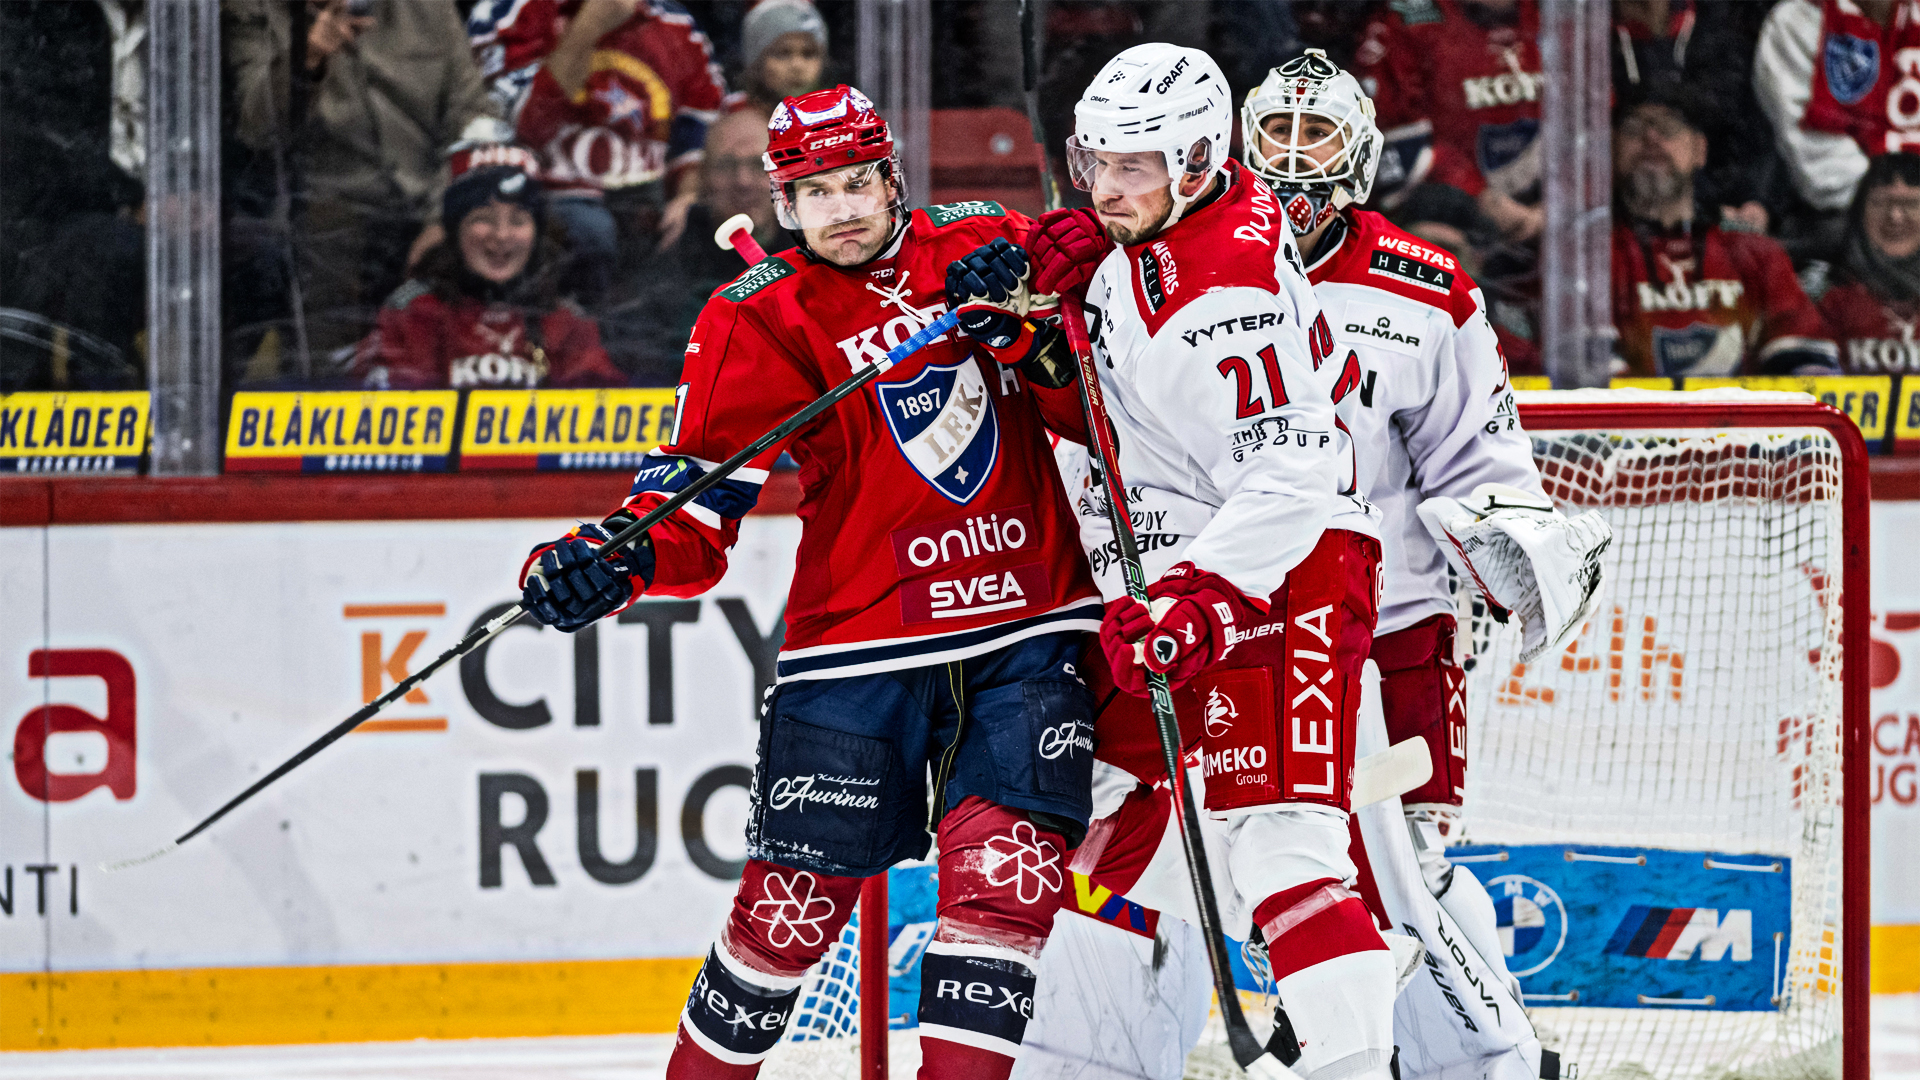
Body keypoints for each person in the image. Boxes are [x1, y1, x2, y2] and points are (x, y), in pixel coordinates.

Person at [512, 84, 1104, 1080]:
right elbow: (694, 519)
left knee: (1003, 902)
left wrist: (1033, 321)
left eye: (857, 184)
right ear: (783, 203)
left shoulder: (985, 244)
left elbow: (1097, 412)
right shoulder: (755, 315)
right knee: (781, 922)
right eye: (814, 191)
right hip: (859, 644)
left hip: (1030, 628)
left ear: (893, 178)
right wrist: (606, 565)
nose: (841, 210)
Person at [1025, 43, 1399, 1080]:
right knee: (1118, 823)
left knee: (1283, 842)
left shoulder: (1219, 291)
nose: (1105, 187)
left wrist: (1201, 601)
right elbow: (1128, 421)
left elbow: (1293, 469)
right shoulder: (1171, 233)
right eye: (1093, 161)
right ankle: (1079, 1057)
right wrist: (1052, 310)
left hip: (1281, 575)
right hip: (1181, 589)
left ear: (1197, 161)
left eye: (1134, 167)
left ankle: (1354, 1057)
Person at [1243, 50, 1608, 1080]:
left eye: (1316, 136)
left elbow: (1481, 455)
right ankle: (1406, 1048)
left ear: (1359, 153)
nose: (1293, 157)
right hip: (1252, 625)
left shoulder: (1426, 286)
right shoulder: (1197, 270)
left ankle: (1474, 1054)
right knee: (1292, 860)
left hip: (1393, 627)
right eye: (1276, 132)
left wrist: (1508, 539)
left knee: (1414, 853)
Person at [226, 0, 499, 366]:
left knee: (493, 241)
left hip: (429, 202)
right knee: (323, 247)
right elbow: (257, 129)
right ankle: (326, 395)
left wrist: (442, 216)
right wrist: (306, 58)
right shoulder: (255, 10)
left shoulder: (428, 8)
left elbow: (473, 118)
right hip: (327, 212)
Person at [470, 0, 728, 309]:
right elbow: (526, 127)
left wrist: (687, 194)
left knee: (701, 228)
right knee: (592, 227)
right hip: (544, 209)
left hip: (646, 212)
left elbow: (702, 127)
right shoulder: (506, 13)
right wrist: (591, 25)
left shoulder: (678, 25)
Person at [349, 142, 623, 390]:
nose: (502, 235)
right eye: (484, 218)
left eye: (518, 220)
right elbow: (378, 416)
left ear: (536, 234)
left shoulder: (565, 320)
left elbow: (607, 419)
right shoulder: (414, 312)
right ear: (455, 232)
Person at [1611, 89, 1840, 376]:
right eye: (1633, 129)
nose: (1651, 138)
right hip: (1629, 421)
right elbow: (1585, 380)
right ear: (1613, 149)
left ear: (1700, 150)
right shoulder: (1590, 258)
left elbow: (1809, 371)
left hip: (1743, 420)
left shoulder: (1757, 255)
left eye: (1668, 128)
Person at [602, 105, 795, 385]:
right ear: (702, 177)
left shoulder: (810, 248)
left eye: (758, 165)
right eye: (727, 166)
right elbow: (639, 348)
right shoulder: (670, 246)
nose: (742, 181)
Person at [1818, 152, 1920, 372]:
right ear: (1859, 213)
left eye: (1910, 204)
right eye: (1880, 203)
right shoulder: (1827, 295)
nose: (1895, 217)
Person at [724, 0, 828, 115]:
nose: (797, 66)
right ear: (755, 62)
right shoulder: (732, 117)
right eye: (783, 54)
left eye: (808, 54)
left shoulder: (836, 119)